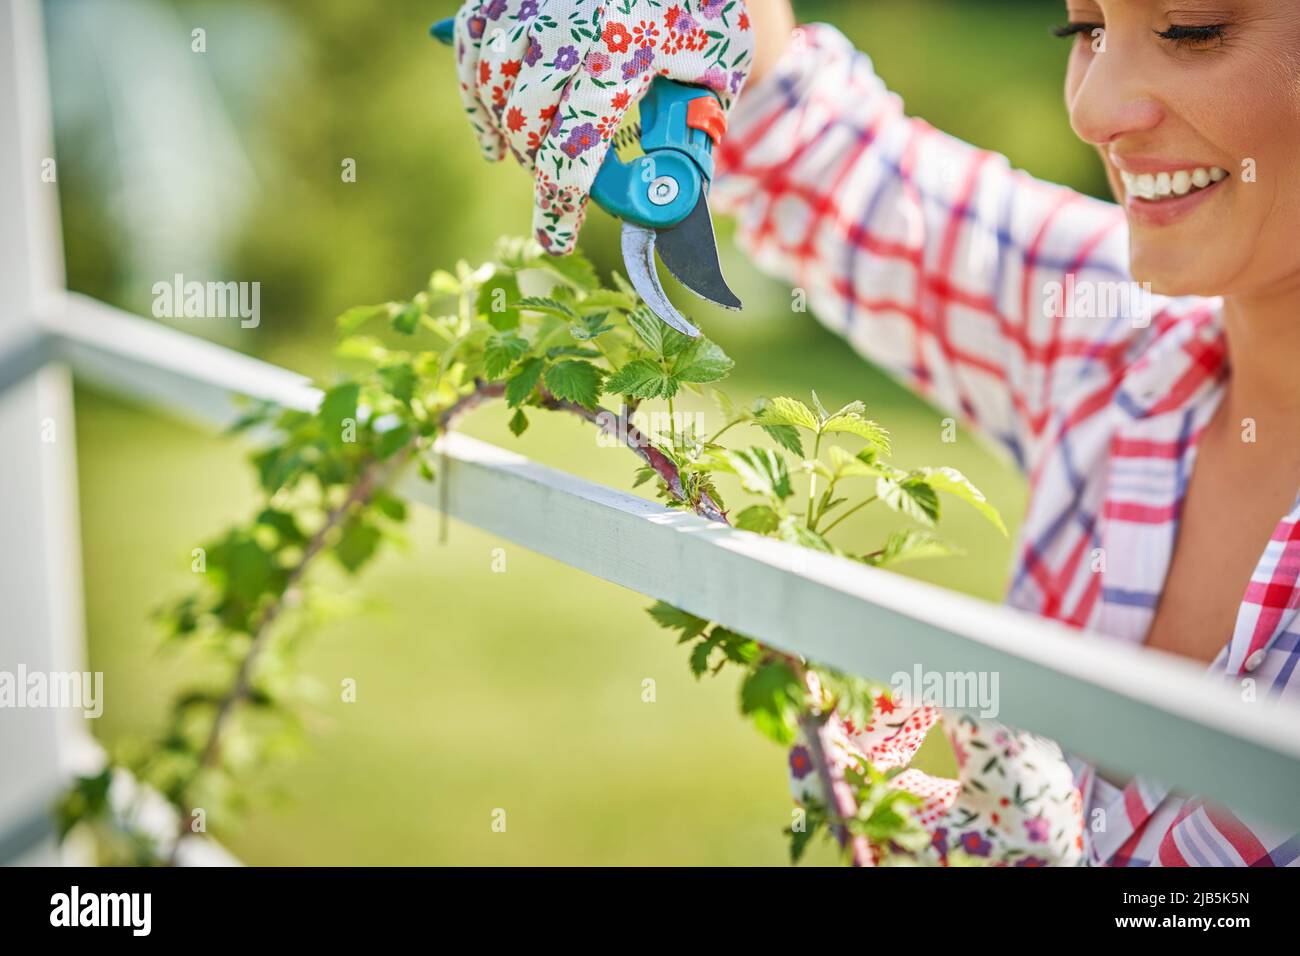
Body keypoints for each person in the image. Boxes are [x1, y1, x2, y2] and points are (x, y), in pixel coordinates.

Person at [449, 0, 1300, 866]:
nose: (1091, 107)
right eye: (1085, 30)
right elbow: (829, 159)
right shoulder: (1112, 343)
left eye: (1191, 29)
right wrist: (695, 24)